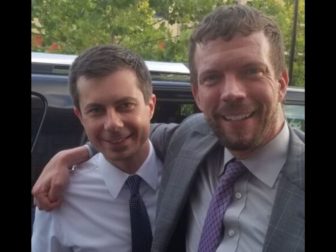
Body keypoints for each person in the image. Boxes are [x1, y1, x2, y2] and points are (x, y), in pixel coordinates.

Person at [32, 4, 304, 252]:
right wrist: (70, 155)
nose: (232, 93)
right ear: (197, 94)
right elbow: (132, 133)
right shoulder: (193, 138)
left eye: (252, 71)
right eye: (212, 78)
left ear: (281, 83)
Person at [31, 44, 163, 252]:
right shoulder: (59, 197)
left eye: (125, 106)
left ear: (150, 106)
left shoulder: (189, 176)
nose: (113, 124)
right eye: (96, 110)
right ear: (80, 117)